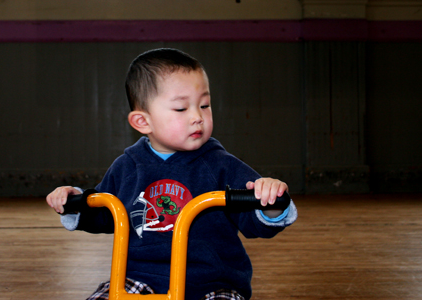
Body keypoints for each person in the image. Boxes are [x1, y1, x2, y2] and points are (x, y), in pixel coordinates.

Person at [47, 48, 297, 300]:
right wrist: (75, 201)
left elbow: (256, 221)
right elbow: (103, 214)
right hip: (139, 277)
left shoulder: (220, 165)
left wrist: (271, 200)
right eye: (181, 109)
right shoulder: (128, 167)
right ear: (143, 122)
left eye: (204, 105)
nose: (197, 117)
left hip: (210, 282)